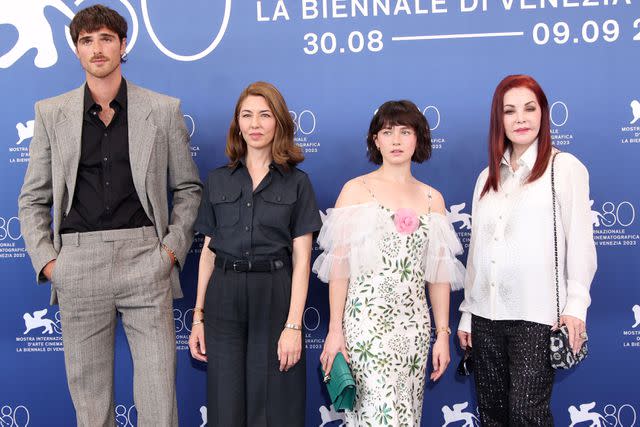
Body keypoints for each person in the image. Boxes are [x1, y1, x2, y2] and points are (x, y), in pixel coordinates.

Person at [17, 5, 202, 426]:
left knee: (159, 399)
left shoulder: (163, 109)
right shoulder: (50, 113)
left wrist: (169, 251)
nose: (96, 49)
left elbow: (188, 189)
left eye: (105, 38)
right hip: (77, 263)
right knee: (91, 405)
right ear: (76, 50)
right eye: (86, 41)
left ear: (122, 45)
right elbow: (32, 198)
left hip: (145, 259)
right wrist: (49, 262)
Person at [314, 100, 465, 426]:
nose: (396, 140)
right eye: (387, 131)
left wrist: (442, 334)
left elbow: (438, 276)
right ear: (375, 140)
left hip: (413, 330)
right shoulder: (355, 190)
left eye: (405, 131)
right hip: (366, 329)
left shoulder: (431, 198)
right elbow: (339, 269)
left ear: (418, 139)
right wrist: (334, 331)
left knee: (406, 416)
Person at [457, 74, 597, 426]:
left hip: (537, 317)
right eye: (510, 110)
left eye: (529, 108)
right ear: (498, 120)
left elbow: (581, 241)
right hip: (486, 317)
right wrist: (467, 314)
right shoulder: (486, 177)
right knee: (492, 416)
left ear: (543, 114)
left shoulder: (564, 168)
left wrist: (576, 307)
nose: (520, 118)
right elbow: (478, 254)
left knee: (526, 414)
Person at [188, 81, 322, 426]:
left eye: (264, 115)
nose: (255, 124)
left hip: (275, 294)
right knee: (225, 405)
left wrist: (293, 324)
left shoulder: (297, 183)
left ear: (278, 122)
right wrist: (199, 316)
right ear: (237, 124)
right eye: (246, 115)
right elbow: (207, 253)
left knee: (277, 405)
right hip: (224, 296)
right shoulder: (218, 180)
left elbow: (303, 259)